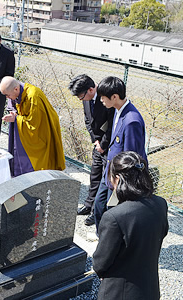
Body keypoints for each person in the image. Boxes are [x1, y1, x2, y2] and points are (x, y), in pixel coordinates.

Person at [93, 151, 168, 300]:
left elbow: (100, 264)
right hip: (149, 288)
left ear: (118, 179)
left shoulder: (114, 217)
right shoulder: (160, 204)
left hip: (119, 292)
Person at [94, 76, 148, 232]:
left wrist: (121, 185)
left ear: (115, 97)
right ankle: (102, 240)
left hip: (120, 177)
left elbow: (131, 158)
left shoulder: (131, 120)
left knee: (112, 214)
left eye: (103, 98)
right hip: (110, 171)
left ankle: (109, 245)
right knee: (99, 206)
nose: (101, 101)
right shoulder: (118, 111)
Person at [68, 74, 114, 226]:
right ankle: (88, 205)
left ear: (91, 89)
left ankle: (97, 212)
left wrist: (103, 144)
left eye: (81, 96)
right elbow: (88, 121)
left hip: (108, 146)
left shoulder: (105, 99)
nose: (81, 100)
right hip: (97, 144)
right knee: (94, 175)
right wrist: (95, 140)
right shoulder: (86, 100)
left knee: (104, 180)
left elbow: (112, 125)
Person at [0, 76, 65, 176]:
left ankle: (38, 175)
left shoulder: (33, 96)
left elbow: (34, 124)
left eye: (7, 95)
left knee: (42, 156)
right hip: (32, 125)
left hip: (43, 129)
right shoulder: (17, 92)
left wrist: (16, 119)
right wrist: (14, 114)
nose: (7, 98)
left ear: (16, 89)